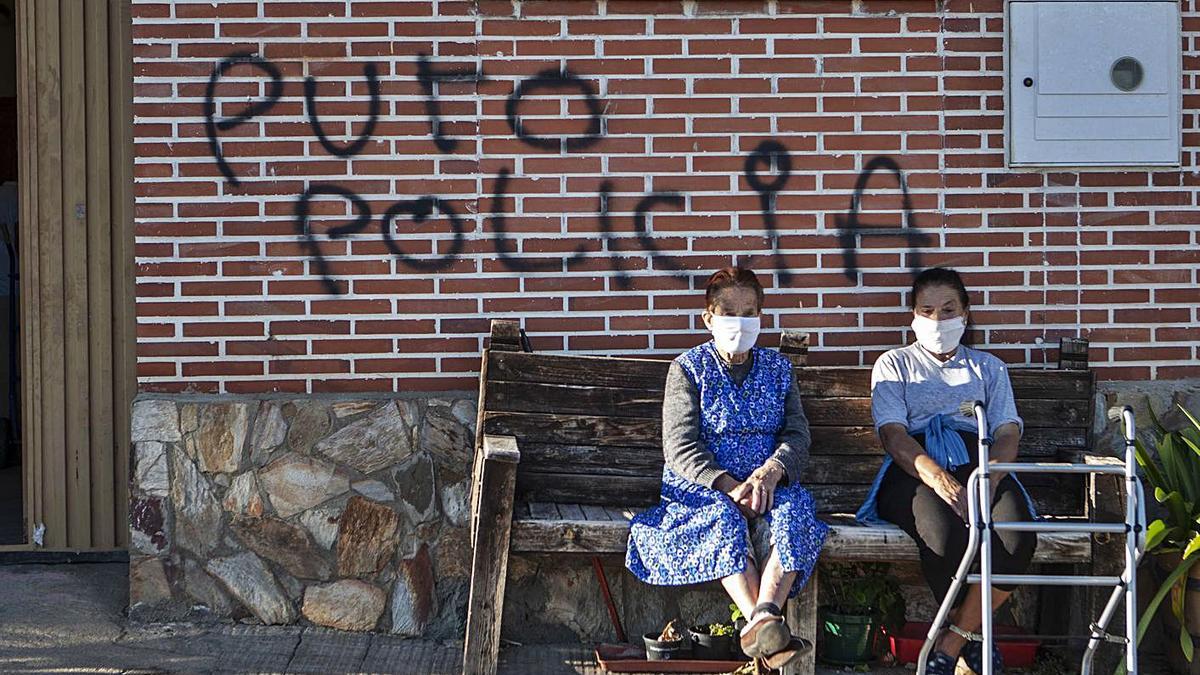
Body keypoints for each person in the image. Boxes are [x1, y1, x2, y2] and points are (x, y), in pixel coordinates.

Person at [626, 266, 828, 670]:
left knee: (795, 511)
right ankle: (768, 630)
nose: (739, 321)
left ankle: (763, 616)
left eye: (749, 311)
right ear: (708, 318)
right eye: (729, 311)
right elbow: (680, 446)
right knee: (722, 517)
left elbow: (797, 435)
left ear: (760, 317)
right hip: (702, 488)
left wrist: (771, 472)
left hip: (766, 484)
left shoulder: (778, 369)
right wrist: (729, 485)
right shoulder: (687, 369)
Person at [856, 267, 1037, 675]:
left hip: (981, 461)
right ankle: (973, 638)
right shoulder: (894, 364)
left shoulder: (989, 368)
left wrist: (988, 479)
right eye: (928, 310)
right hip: (916, 466)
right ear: (914, 317)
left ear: (966, 313)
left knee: (1016, 537)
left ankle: (953, 640)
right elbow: (893, 436)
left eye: (948, 309)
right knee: (942, 536)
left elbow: (1008, 432)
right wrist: (938, 478)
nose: (939, 321)